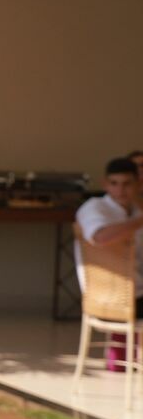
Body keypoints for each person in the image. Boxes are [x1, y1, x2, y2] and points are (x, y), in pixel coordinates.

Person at [77, 157, 143, 367]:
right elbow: (101, 237)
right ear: (105, 184)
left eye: (127, 184)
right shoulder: (94, 208)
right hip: (109, 297)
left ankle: (122, 362)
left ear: (138, 184)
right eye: (115, 184)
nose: (121, 190)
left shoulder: (135, 212)